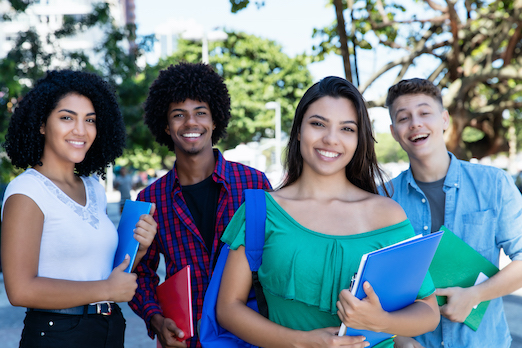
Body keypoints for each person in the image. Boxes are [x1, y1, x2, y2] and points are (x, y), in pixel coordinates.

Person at [215, 76, 440, 348]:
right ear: (298, 130)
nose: (331, 139)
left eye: (347, 129)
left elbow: (428, 312)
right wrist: (301, 342)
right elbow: (228, 308)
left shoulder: (388, 215)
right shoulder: (260, 211)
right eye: (318, 124)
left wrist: (381, 321)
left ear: (359, 140)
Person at [0, 70, 157, 348]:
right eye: (67, 117)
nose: (81, 130)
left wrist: (139, 249)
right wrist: (106, 289)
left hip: (108, 328)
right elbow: (20, 289)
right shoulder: (26, 192)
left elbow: (97, 271)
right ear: (41, 124)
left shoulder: (93, 186)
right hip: (57, 334)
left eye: (90, 120)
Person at [129, 62, 272, 348]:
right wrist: (156, 321)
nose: (191, 123)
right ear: (166, 126)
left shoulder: (254, 185)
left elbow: (277, 260)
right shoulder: (151, 199)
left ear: (215, 120)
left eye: (201, 113)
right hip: (187, 340)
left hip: (250, 338)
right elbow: (139, 274)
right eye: (178, 115)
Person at [384, 78, 522, 348]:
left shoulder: (494, 184)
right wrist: (397, 337)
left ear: (445, 120)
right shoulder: (382, 198)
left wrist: (475, 295)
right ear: (393, 131)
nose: (415, 124)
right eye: (404, 118)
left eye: (425, 113)